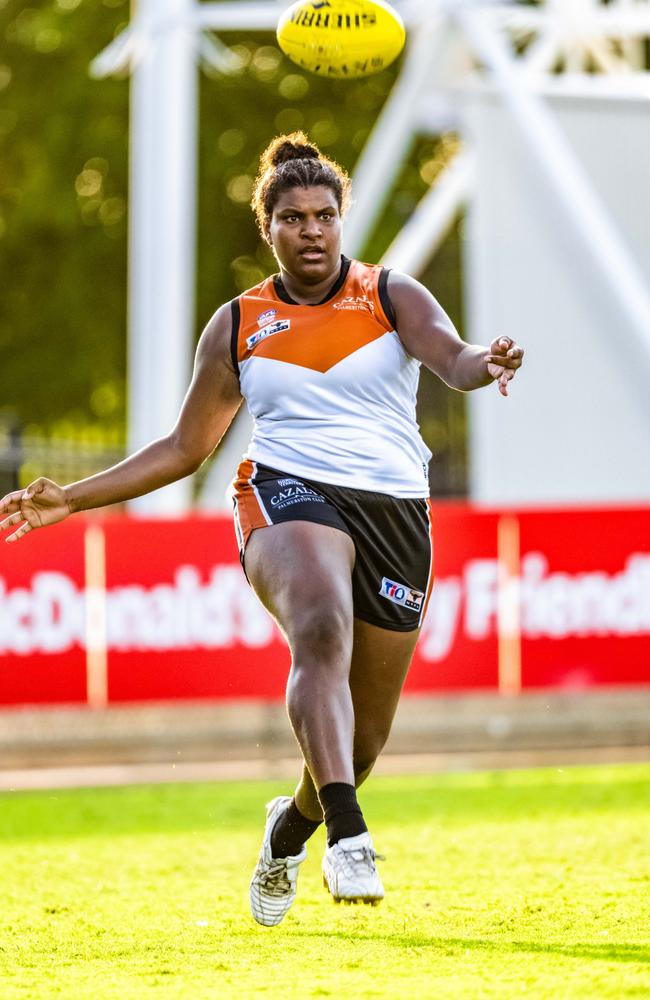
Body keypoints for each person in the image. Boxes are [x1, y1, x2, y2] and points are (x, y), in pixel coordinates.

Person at [0, 132, 524, 927]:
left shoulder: (390, 296)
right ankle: (350, 839)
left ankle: (293, 828)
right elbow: (185, 448)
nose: (311, 230)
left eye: (324, 216)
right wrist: (73, 496)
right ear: (267, 227)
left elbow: (452, 359)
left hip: (395, 510)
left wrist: (490, 359)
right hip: (283, 491)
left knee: (366, 738)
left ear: (341, 221)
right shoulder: (240, 322)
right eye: (293, 217)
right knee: (319, 625)